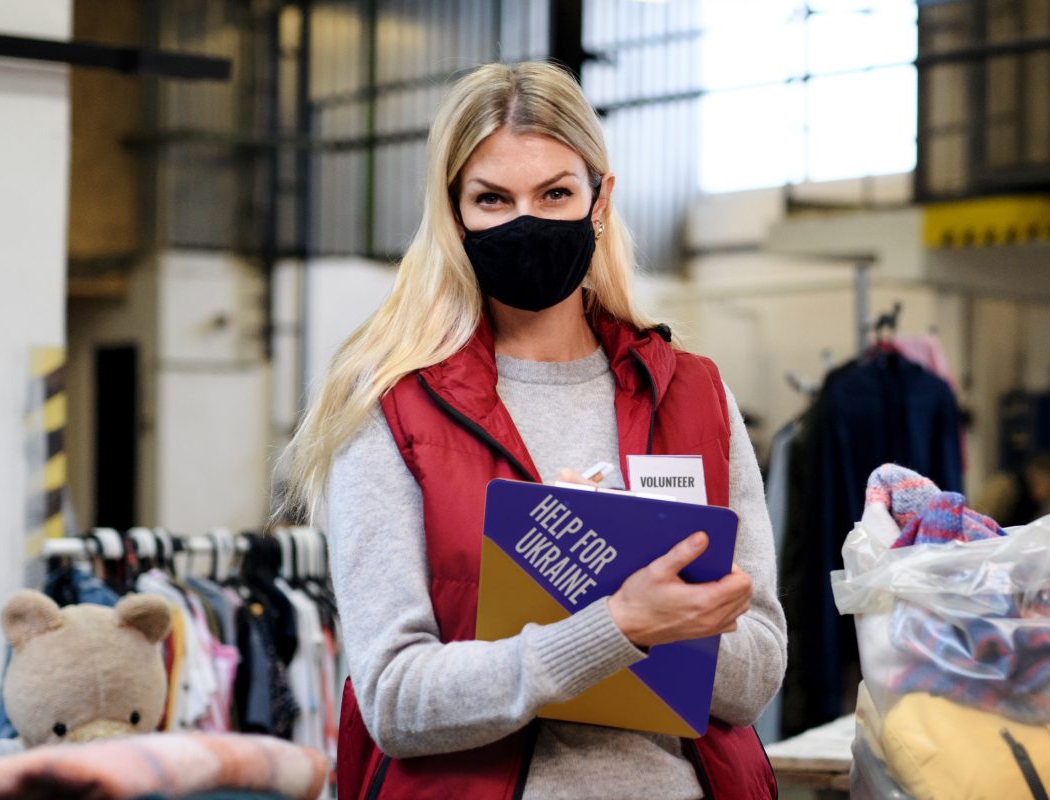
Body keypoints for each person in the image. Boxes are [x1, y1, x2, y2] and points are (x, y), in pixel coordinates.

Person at [279, 63, 784, 799]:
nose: (527, 220)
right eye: (492, 198)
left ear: (600, 199)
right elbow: (393, 698)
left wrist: (668, 623)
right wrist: (616, 626)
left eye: (555, 193)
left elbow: (759, 676)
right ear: (454, 215)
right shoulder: (393, 407)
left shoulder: (695, 394)